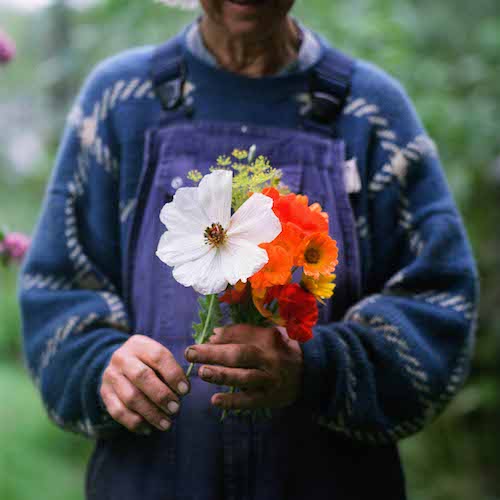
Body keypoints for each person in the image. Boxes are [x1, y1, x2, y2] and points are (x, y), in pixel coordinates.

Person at [18, 1, 480, 499]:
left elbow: (440, 304)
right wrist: (102, 368)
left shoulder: (370, 112)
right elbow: (58, 292)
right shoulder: (121, 102)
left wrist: (319, 368)